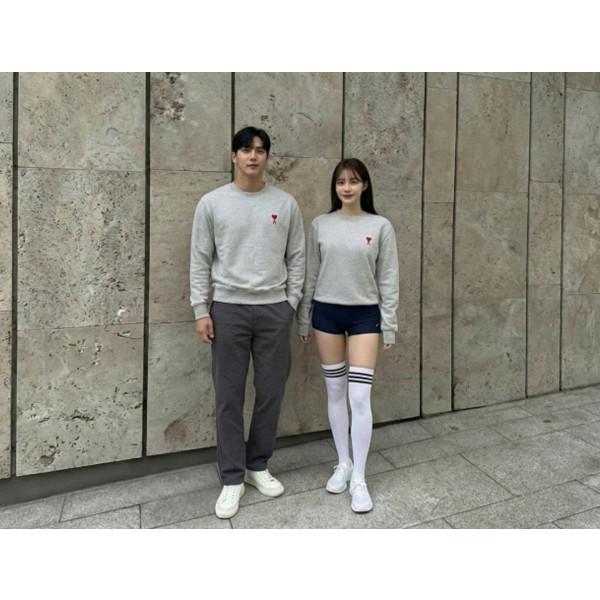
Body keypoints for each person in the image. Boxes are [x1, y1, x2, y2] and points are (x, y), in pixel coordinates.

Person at [190, 126, 305, 519]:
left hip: (274, 310)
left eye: (260, 150)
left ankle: (257, 464)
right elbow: (200, 259)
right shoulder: (212, 203)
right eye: (245, 149)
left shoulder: (285, 204)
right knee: (229, 396)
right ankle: (232, 477)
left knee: (271, 391)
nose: (253, 156)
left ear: (267, 157)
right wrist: (201, 309)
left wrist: (290, 304)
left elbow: (297, 257)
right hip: (228, 310)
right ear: (234, 156)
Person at [297, 158, 399, 513]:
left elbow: (388, 278)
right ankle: (343, 462)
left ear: (365, 185)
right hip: (326, 314)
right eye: (341, 182)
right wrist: (303, 317)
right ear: (335, 187)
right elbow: (310, 273)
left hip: (364, 317)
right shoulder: (321, 225)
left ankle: (359, 478)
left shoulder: (380, 226)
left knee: (359, 396)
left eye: (354, 181)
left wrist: (389, 323)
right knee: (336, 392)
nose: (347, 187)